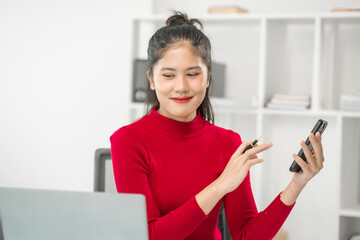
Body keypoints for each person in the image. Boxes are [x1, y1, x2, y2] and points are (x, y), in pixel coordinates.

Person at [110, 11, 325, 240]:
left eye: (192, 74)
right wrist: (220, 185)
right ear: (152, 80)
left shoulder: (228, 143)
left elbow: (246, 236)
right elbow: (150, 236)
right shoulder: (127, 141)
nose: (181, 86)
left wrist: (297, 184)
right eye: (169, 75)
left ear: (209, 78)